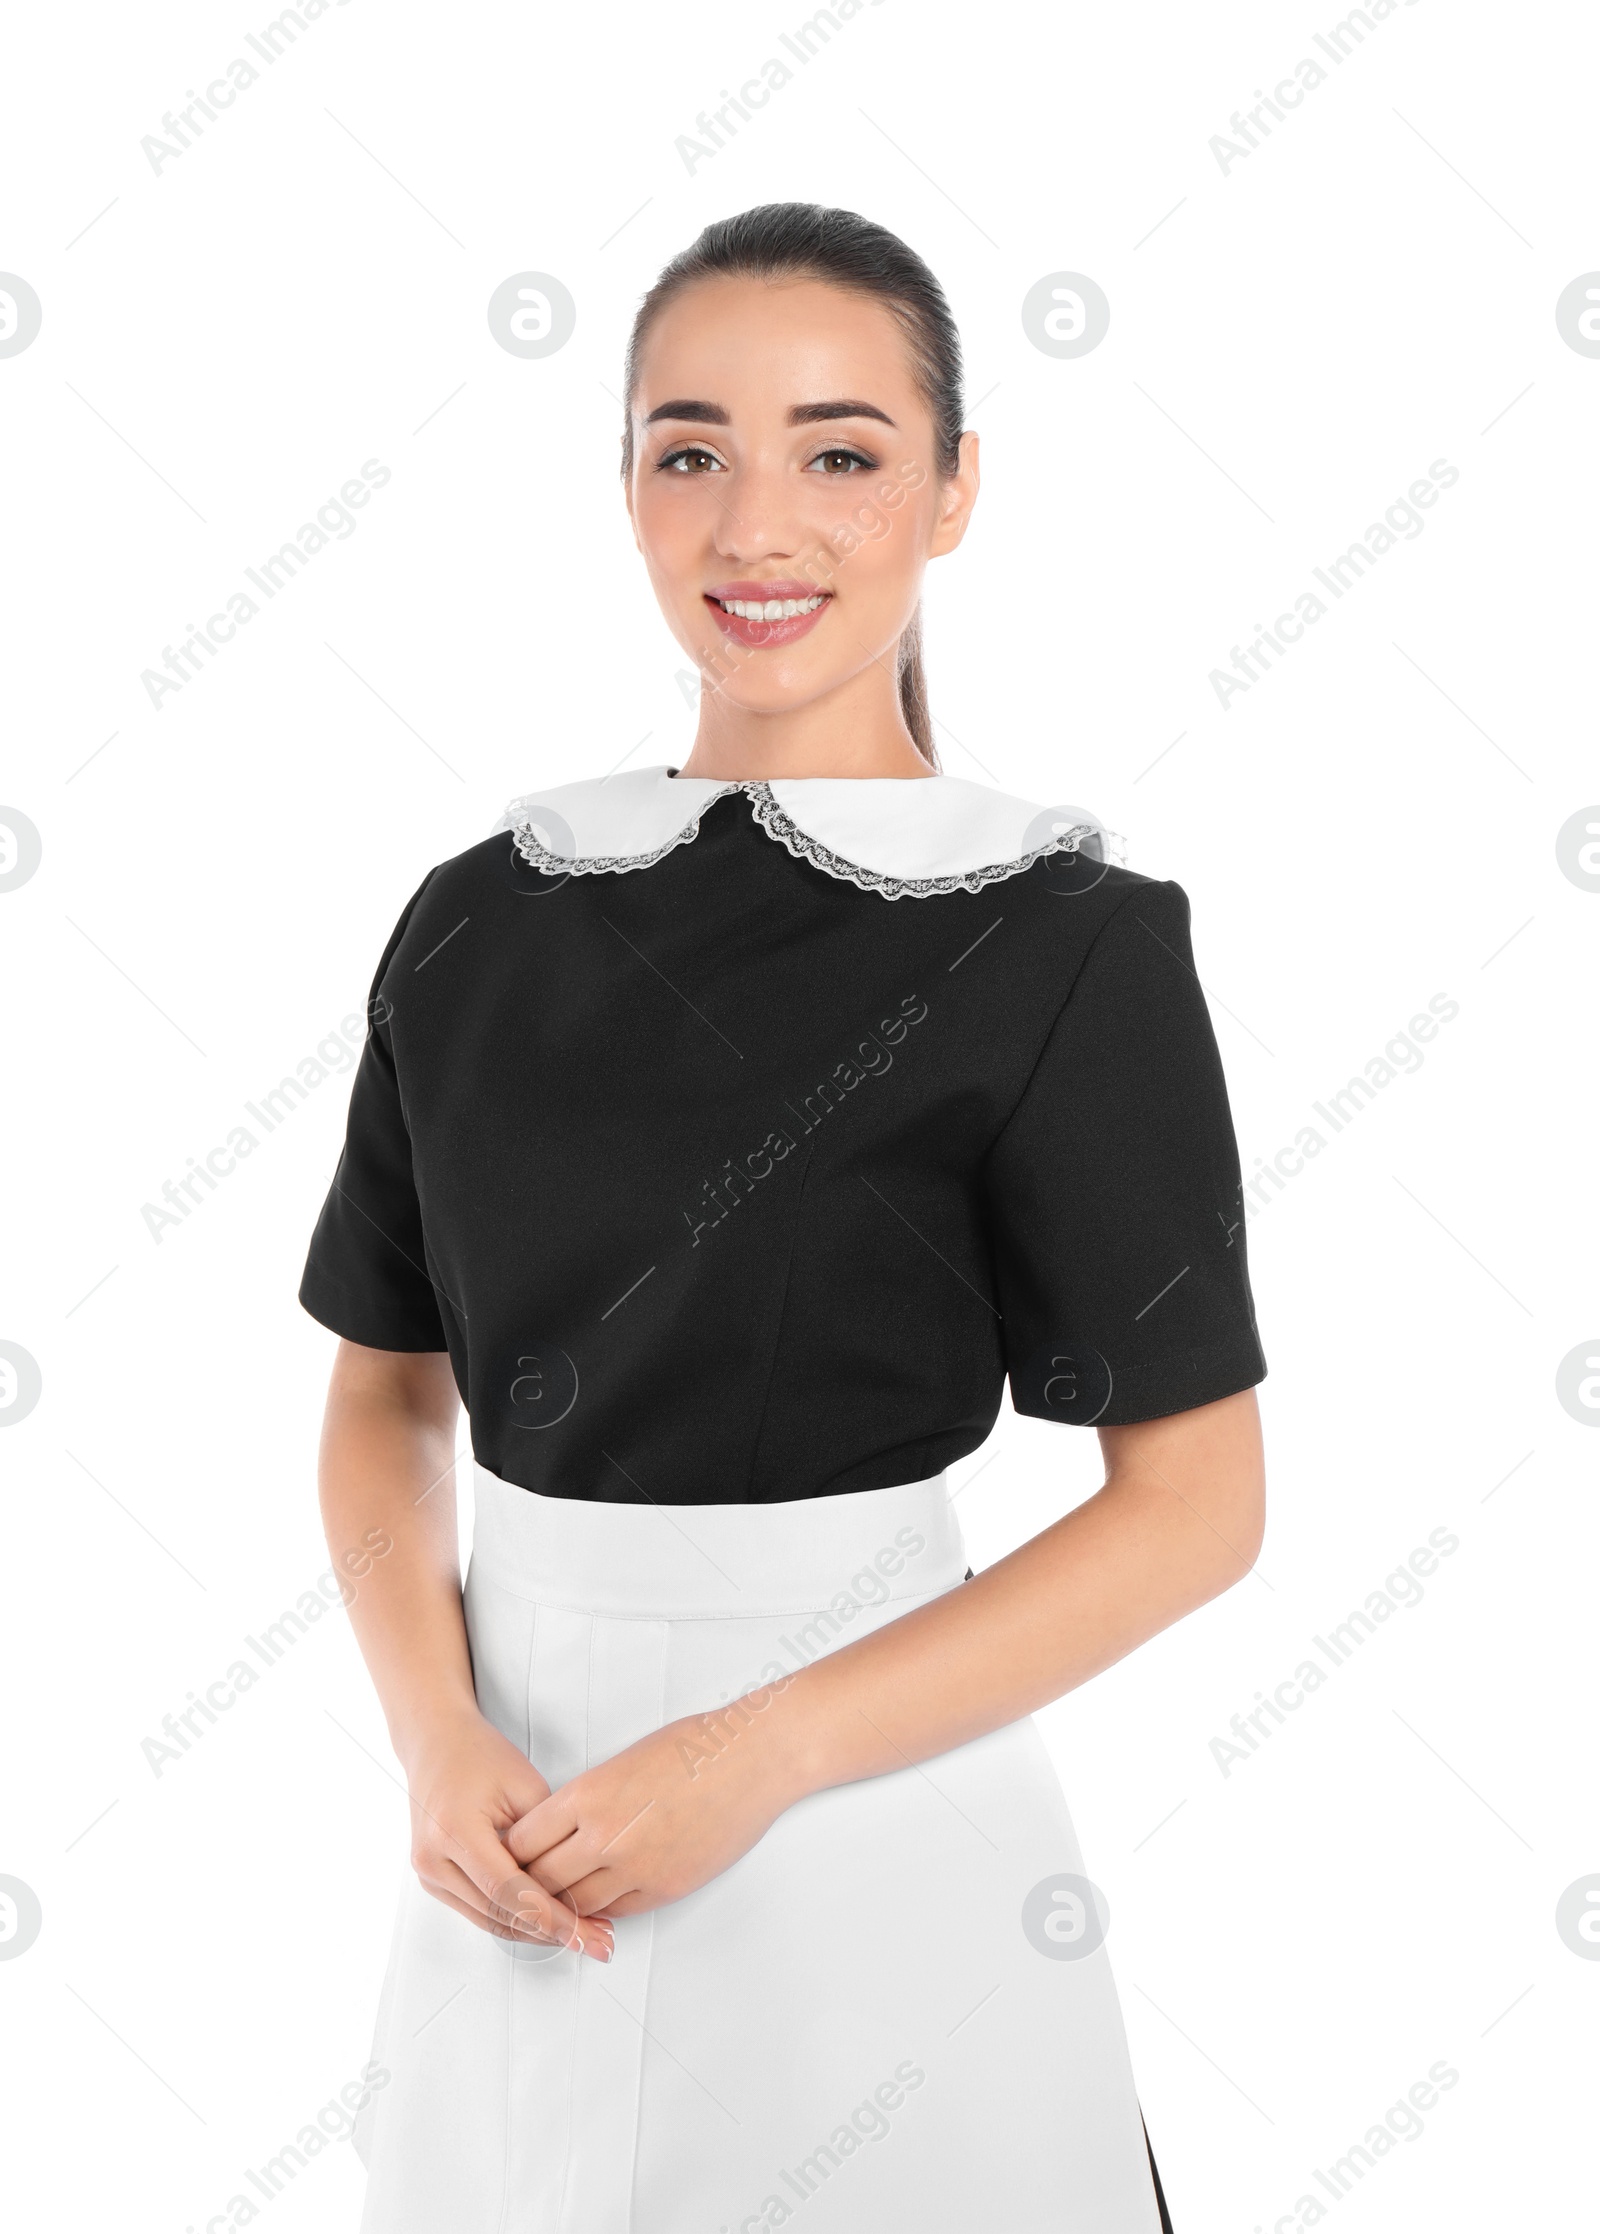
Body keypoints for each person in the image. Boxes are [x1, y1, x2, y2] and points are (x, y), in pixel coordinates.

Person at [300, 201, 1266, 2232]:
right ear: (626, 487)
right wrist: (431, 1740)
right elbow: (383, 1399)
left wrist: (757, 1752)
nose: (757, 525)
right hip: (505, 1850)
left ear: (950, 488)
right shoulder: (479, 918)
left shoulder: (1058, 937)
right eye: (688, 451)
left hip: (871, 1835)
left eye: (837, 452)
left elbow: (1196, 1505)